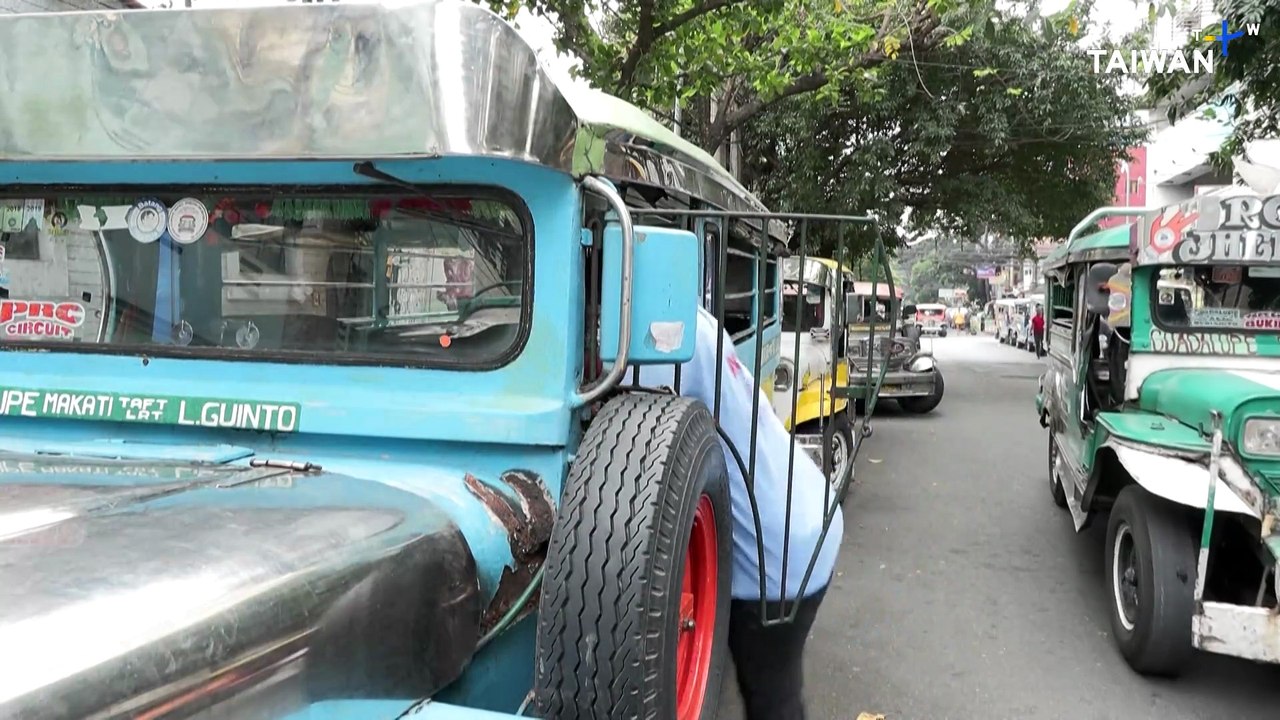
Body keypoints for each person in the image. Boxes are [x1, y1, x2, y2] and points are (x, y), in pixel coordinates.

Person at [632, 306, 842, 720]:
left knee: (772, 699)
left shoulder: (647, 341)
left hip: (778, 551)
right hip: (806, 503)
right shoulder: (686, 312)